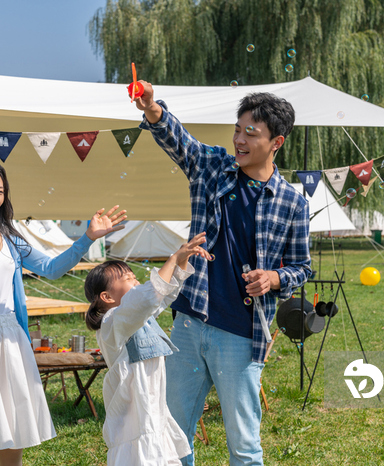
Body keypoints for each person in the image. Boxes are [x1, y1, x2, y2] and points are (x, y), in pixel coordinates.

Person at [134, 82, 312, 465]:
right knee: (172, 437)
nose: (239, 139)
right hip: (190, 322)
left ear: (276, 142)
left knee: (245, 448)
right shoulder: (214, 168)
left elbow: (302, 267)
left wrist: (274, 279)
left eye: (251, 133)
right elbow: (178, 140)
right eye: (237, 129)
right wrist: (153, 109)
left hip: (242, 335)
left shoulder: (293, 202)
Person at [0, 157, 126, 466]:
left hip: (11, 340)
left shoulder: (10, 239)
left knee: (14, 425)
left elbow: (51, 268)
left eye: (0, 190)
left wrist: (88, 237)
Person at [84, 232, 210, 466]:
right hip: (136, 409)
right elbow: (147, 297)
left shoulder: (136, 315)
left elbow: (163, 295)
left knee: (156, 451)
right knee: (142, 454)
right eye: (128, 279)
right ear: (107, 297)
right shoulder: (113, 321)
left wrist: (182, 260)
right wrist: (172, 259)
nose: (136, 281)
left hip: (152, 403)